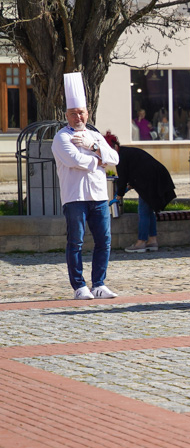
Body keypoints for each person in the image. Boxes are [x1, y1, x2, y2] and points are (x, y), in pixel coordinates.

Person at [52, 73, 121, 300]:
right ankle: (79, 286)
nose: (78, 117)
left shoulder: (94, 135)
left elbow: (115, 159)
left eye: (81, 112)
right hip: (75, 197)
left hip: (99, 196)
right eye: (73, 113)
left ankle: (99, 283)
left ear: (87, 113)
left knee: (104, 241)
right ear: (67, 116)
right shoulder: (61, 137)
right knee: (76, 242)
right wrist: (99, 161)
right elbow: (74, 161)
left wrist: (93, 146)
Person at [103, 132, 177, 254]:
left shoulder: (121, 157)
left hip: (152, 182)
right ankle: (152, 241)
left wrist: (119, 195)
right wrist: (129, 185)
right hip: (155, 179)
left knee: (143, 211)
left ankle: (141, 242)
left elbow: (122, 178)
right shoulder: (126, 153)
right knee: (149, 210)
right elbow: (135, 171)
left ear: (113, 147)